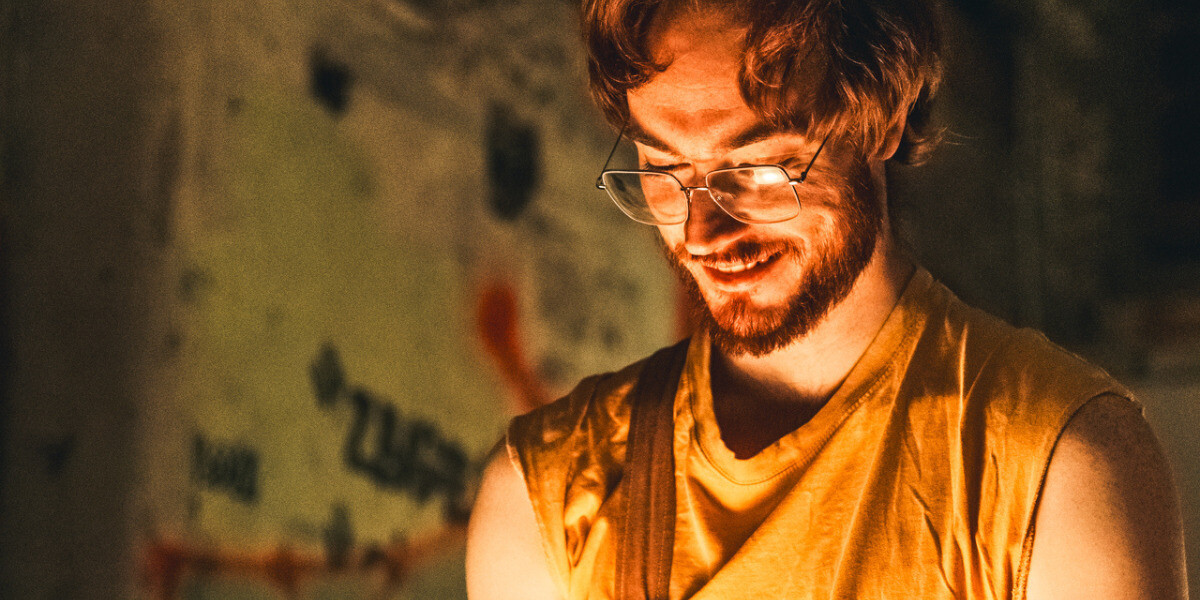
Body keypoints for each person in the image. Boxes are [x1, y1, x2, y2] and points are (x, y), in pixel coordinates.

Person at [465, 0, 1189, 598]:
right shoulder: (545, 498)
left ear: (886, 117)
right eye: (664, 166)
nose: (703, 228)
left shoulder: (1060, 463)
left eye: (761, 165)